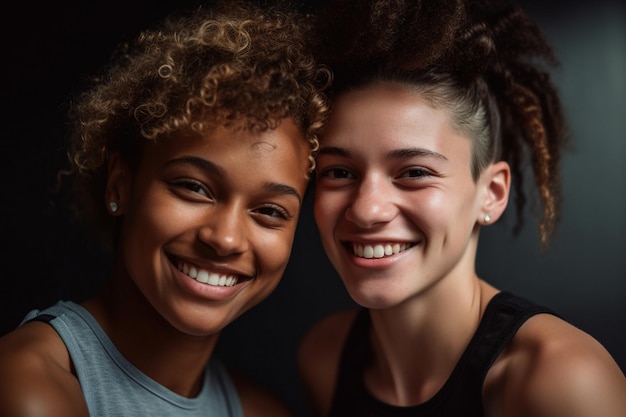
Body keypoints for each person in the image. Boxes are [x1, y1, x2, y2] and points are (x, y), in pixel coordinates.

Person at [0, 1, 329, 416]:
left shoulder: (264, 410)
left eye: (270, 211)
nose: (225, 238)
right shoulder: (28, 384)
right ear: (120, 183)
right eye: (193, 188)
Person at [298, 1, 626, 416]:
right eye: (340, 173)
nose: (366, 209)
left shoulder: (561, 383)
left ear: (490, 192)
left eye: (414, 172)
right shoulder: (323, 358)